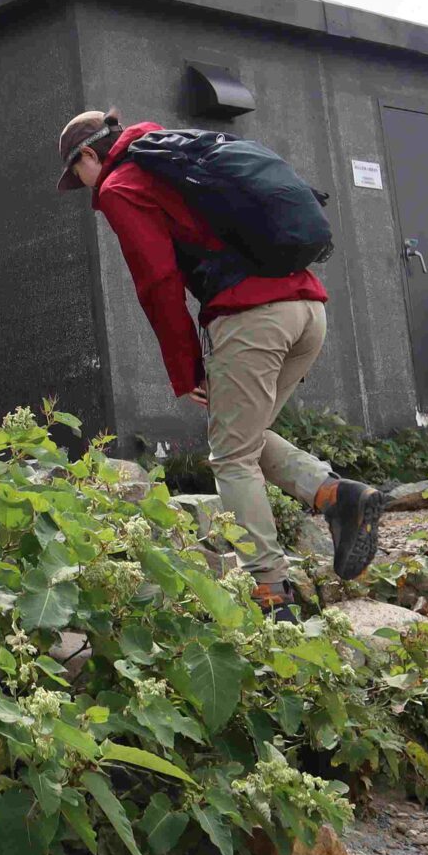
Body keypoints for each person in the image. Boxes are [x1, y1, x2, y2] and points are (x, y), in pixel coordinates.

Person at [57, 109, 386, 614]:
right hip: (306, 310)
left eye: (76, 173)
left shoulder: (122, 184)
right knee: (241, 435)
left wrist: (185, 367)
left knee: (231, 456)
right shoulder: (174, 153)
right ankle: (334, 496)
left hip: (251, 317)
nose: (82, 186)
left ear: (87, 154)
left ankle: (269, 591)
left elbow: (158, 282)